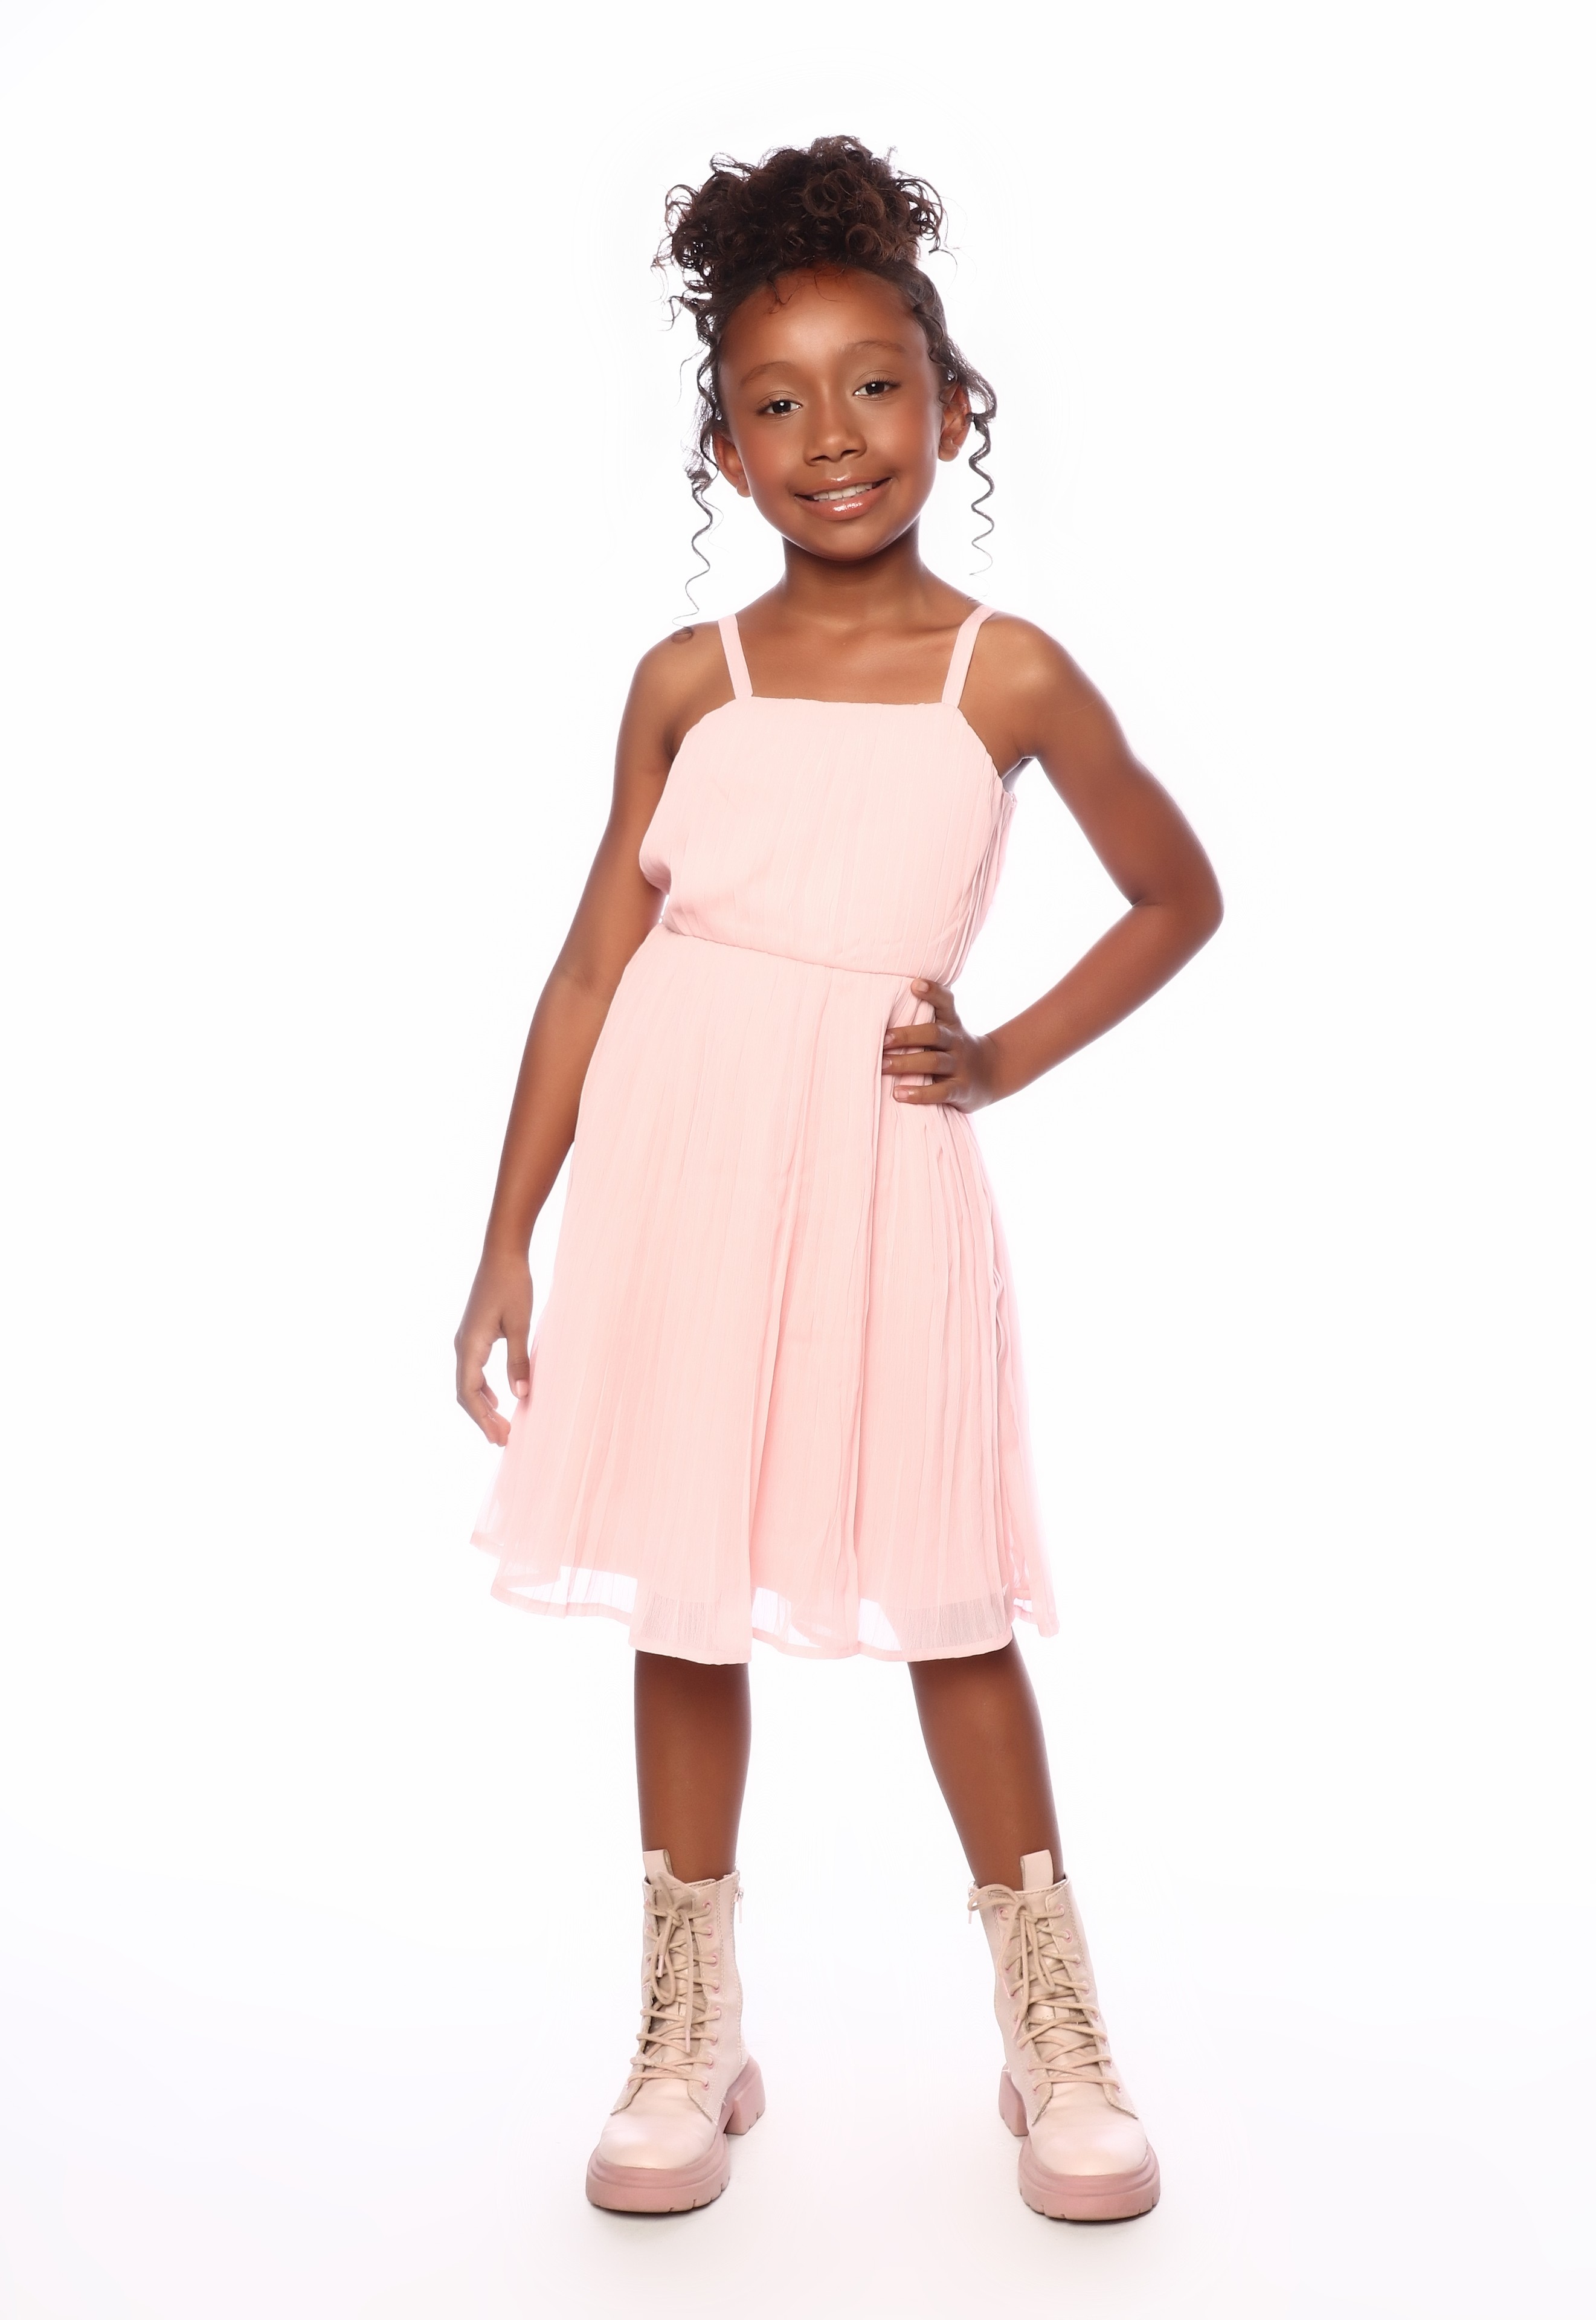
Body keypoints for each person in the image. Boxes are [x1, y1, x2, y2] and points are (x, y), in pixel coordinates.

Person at [454, 135, 1222, 2222]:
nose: (834, 436)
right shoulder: (685, 682)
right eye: (777, 403)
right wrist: (506, 1238)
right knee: (681, 1587)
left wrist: (1000, 1058)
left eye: (876, 386)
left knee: (947, 1593)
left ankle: (1051, 2025)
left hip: (880, 1177)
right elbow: (593, 963)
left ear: (954, 407)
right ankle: (688, 2024)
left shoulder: (1007, 673)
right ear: (724, 449)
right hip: (679, 1170)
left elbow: (1176, 895)